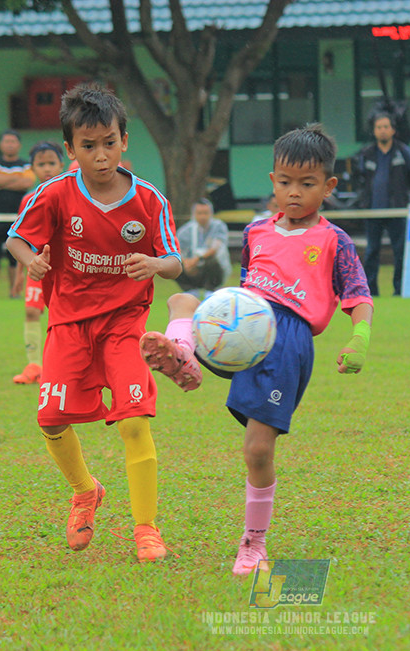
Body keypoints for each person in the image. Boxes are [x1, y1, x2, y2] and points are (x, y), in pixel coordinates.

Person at [139, 123, 374, 575]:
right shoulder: (256, 232)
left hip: (287, 341)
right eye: (285, 182)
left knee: (258, 451)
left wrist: (359, 338)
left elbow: (359, 296)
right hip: (243, 317)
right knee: (182, 298)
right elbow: (249, 279)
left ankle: (254, 543)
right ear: (272, 181)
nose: (294, 193)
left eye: (307, 184)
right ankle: (184, 354)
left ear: (329, 186)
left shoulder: (333, 240)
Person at [6, 83, 182, 562]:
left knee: (133, 421)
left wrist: (154, 265)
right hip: (68, 324)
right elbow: (16, 239)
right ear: (70, 150)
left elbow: (174, 262)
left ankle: (146, 528)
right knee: (50, 418)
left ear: (125, 140)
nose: (100, 155)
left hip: (125, 324)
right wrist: (31, 261)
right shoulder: (54, 195)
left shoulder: (149, 201)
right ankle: (85, 491)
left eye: (109, 142)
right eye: (88, 146)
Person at [11, 141, 64, 385]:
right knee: (32, 311)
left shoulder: (69, 196)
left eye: (51, 163)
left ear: (61, 165)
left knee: (60, 317)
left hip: (63, 270)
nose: (47, 169)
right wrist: (21, 272)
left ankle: (57, 367)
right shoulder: (28, 200)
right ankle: (34, 364)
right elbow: (21, 239)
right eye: (41, 164)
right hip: (37, 268)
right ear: (32, 168)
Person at [353, 111, 410, 297]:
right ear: (374, 131)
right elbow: (360, 178)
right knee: (372, 251)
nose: (382, 131)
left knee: (400, 252)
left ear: (393, 130)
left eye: (386, 127)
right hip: (372, 211)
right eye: (379, 127)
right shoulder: (366, 154)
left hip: (397, 210)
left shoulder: (404, 152)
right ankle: (371, 291)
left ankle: (399, 290)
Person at [0, 129, 35, 300]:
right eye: (6, 141)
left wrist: (2, 182)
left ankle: (14, 292)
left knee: (15, 256)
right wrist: (15, 180)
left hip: (18, 217)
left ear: (19, 145)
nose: (10, 145)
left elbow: (27, 182)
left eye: (13, 141)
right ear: (1, 144)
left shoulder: (26, 164)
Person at [174, 198, 231, 298]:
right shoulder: (185, 231)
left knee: (212, 261)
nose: (202, 216)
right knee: (174, 264)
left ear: (211, 213)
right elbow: (178, 250)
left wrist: (197, 260)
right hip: (191, 268)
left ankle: (210, 291)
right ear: (194, 214)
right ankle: (190, 290)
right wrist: (186, 263)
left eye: (206, 213)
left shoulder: (218, 227)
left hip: (212, 268)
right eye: (199, 213)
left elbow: (214, 249)